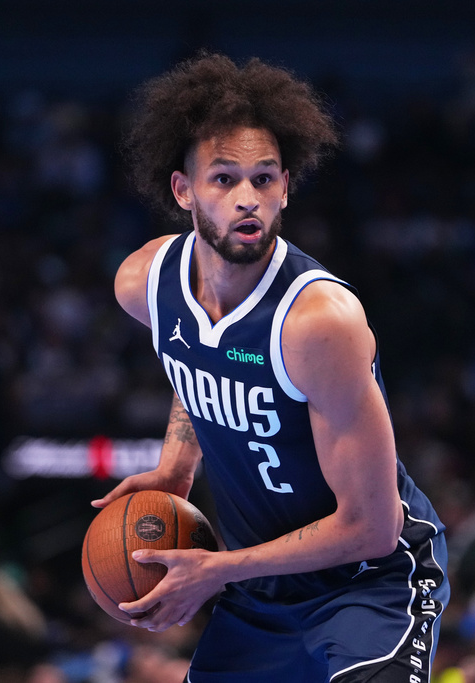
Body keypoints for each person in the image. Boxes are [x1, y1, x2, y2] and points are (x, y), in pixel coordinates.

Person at [92, 53, 450, 682]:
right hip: (264, 593)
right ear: (183, 190)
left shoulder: (319, 324)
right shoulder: (144, 283)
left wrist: (217, 571)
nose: (247, 199)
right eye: (224, 179)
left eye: (263, 179)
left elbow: (372, 527)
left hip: (368, 584)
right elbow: (194, 359)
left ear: (286, 185)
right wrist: (177, 467)